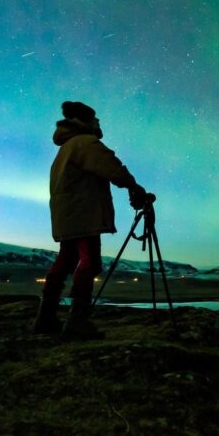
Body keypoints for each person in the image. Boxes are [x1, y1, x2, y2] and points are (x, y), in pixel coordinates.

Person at [33, 101, 148, 339]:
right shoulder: (85, 142)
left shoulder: (66, 148)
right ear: (84, 121)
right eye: (95, 119)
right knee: (90, 262)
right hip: (82, 213)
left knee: (66, 260)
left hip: (68, 214)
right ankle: (77, 321)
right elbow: (110, 166)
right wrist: (134, 187)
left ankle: (45, 317)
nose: (98, 122)